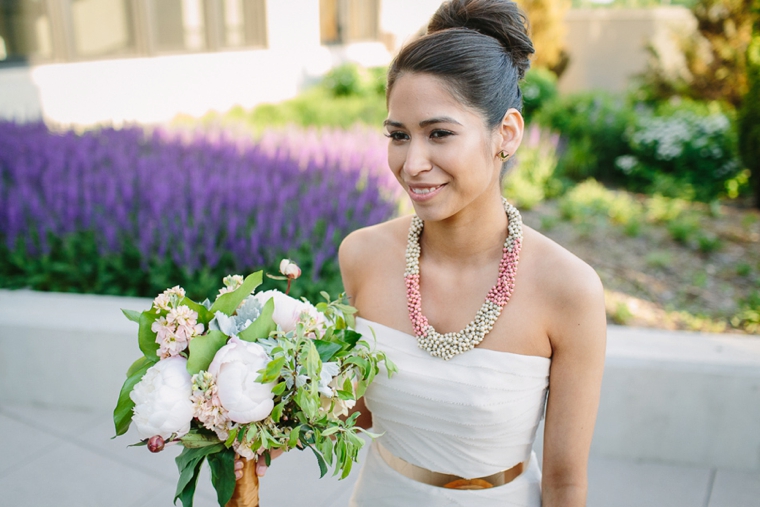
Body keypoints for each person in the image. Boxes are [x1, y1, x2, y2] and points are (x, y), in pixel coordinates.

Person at [337, 0, 607, 505]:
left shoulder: (568, 290)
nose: (413, 163)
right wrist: (247, 413)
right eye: (398, 135)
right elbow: (356, 416)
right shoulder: (363, 256)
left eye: (439, 133)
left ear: (505, 134)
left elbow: (566, 481)